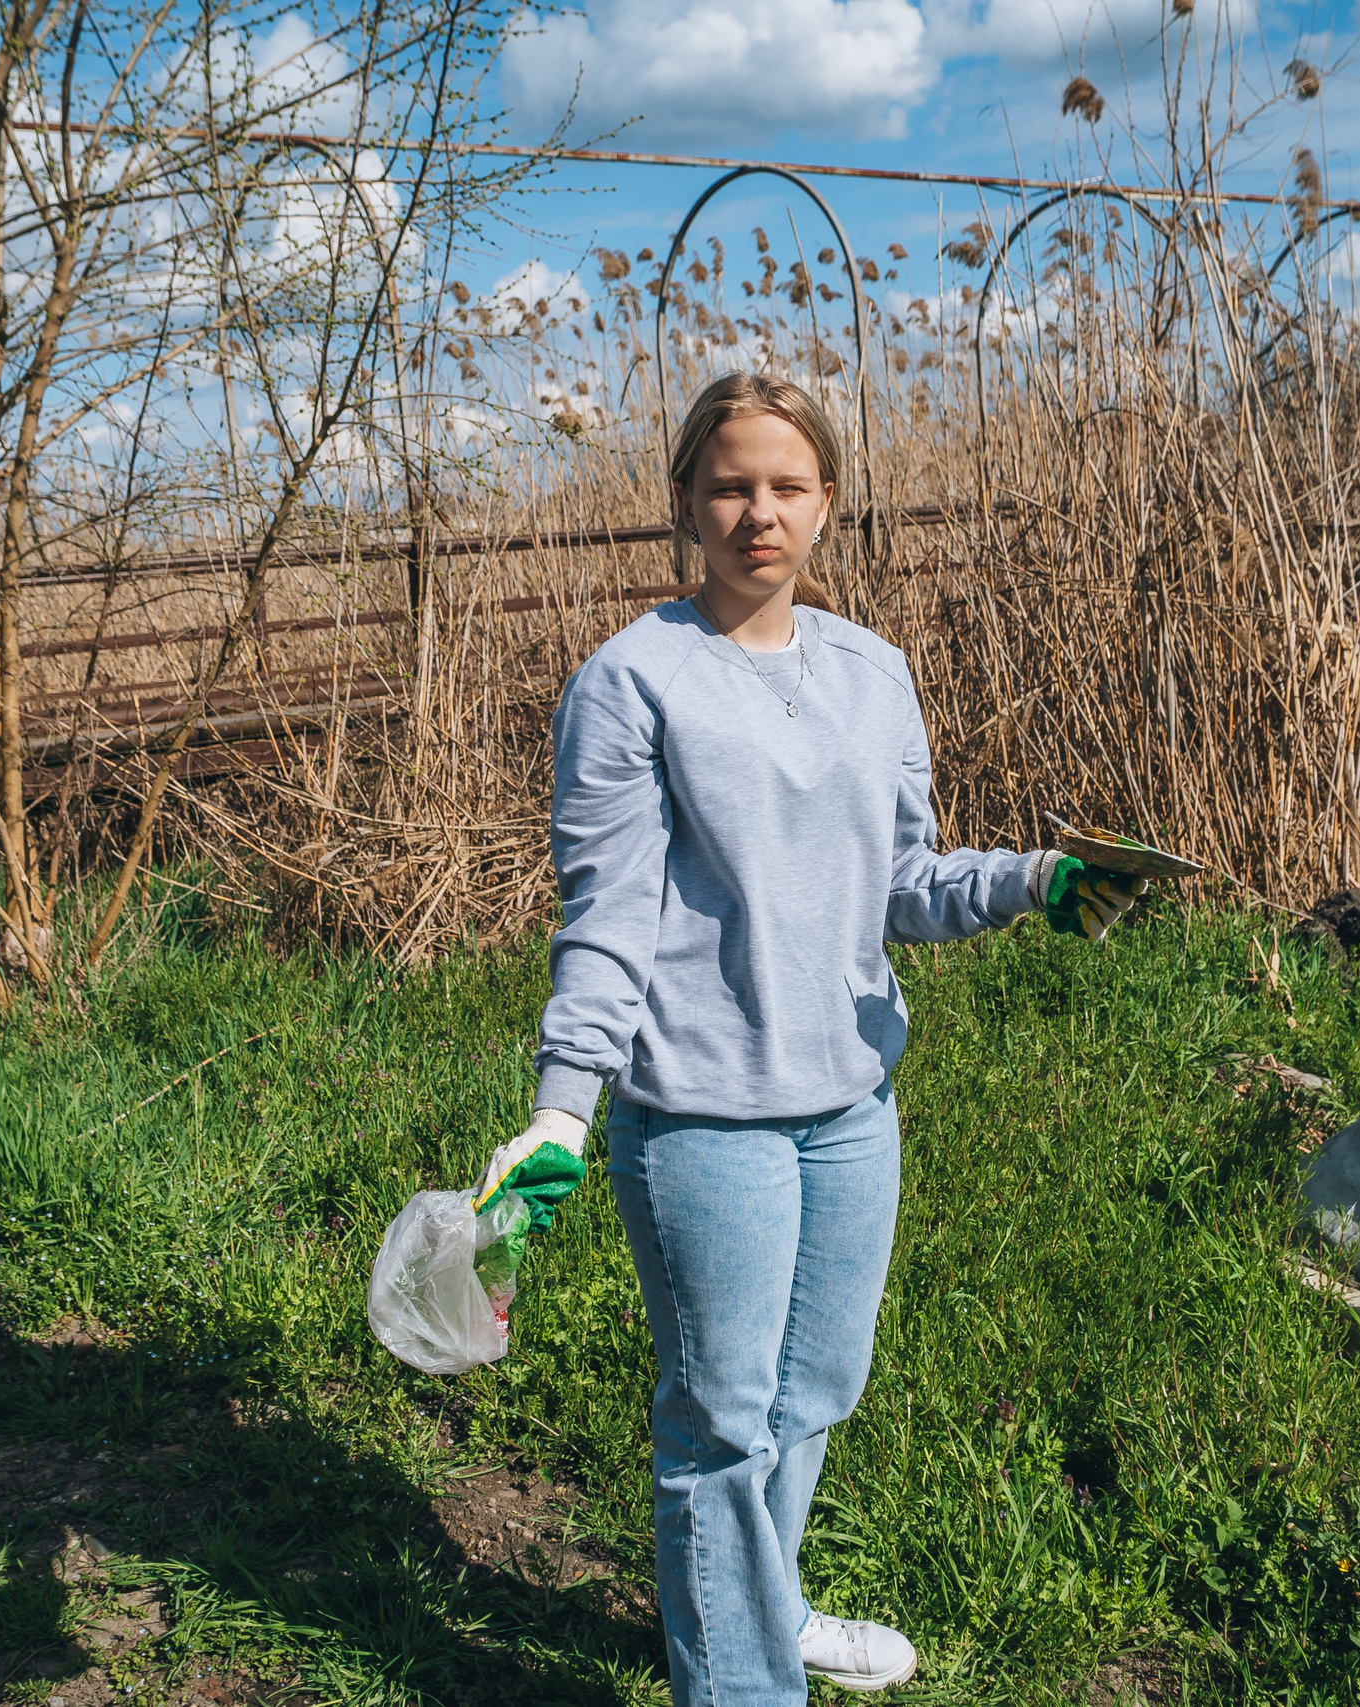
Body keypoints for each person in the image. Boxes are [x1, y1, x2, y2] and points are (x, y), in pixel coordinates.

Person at [472, 374, 1142, 1704]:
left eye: (785, 485)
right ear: (684, 503)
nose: (757, 511)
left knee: (813, 1391)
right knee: (721, 1421)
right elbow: (606, 917)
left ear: (827, 502)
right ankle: (744, 1678)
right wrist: (563, 1105)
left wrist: (1036, 881)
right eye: (729, 484)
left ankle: (752, 1612)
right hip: (701, 1112)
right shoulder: (630, 683)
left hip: (849, 1101)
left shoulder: (873, 672)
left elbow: (902, 879)